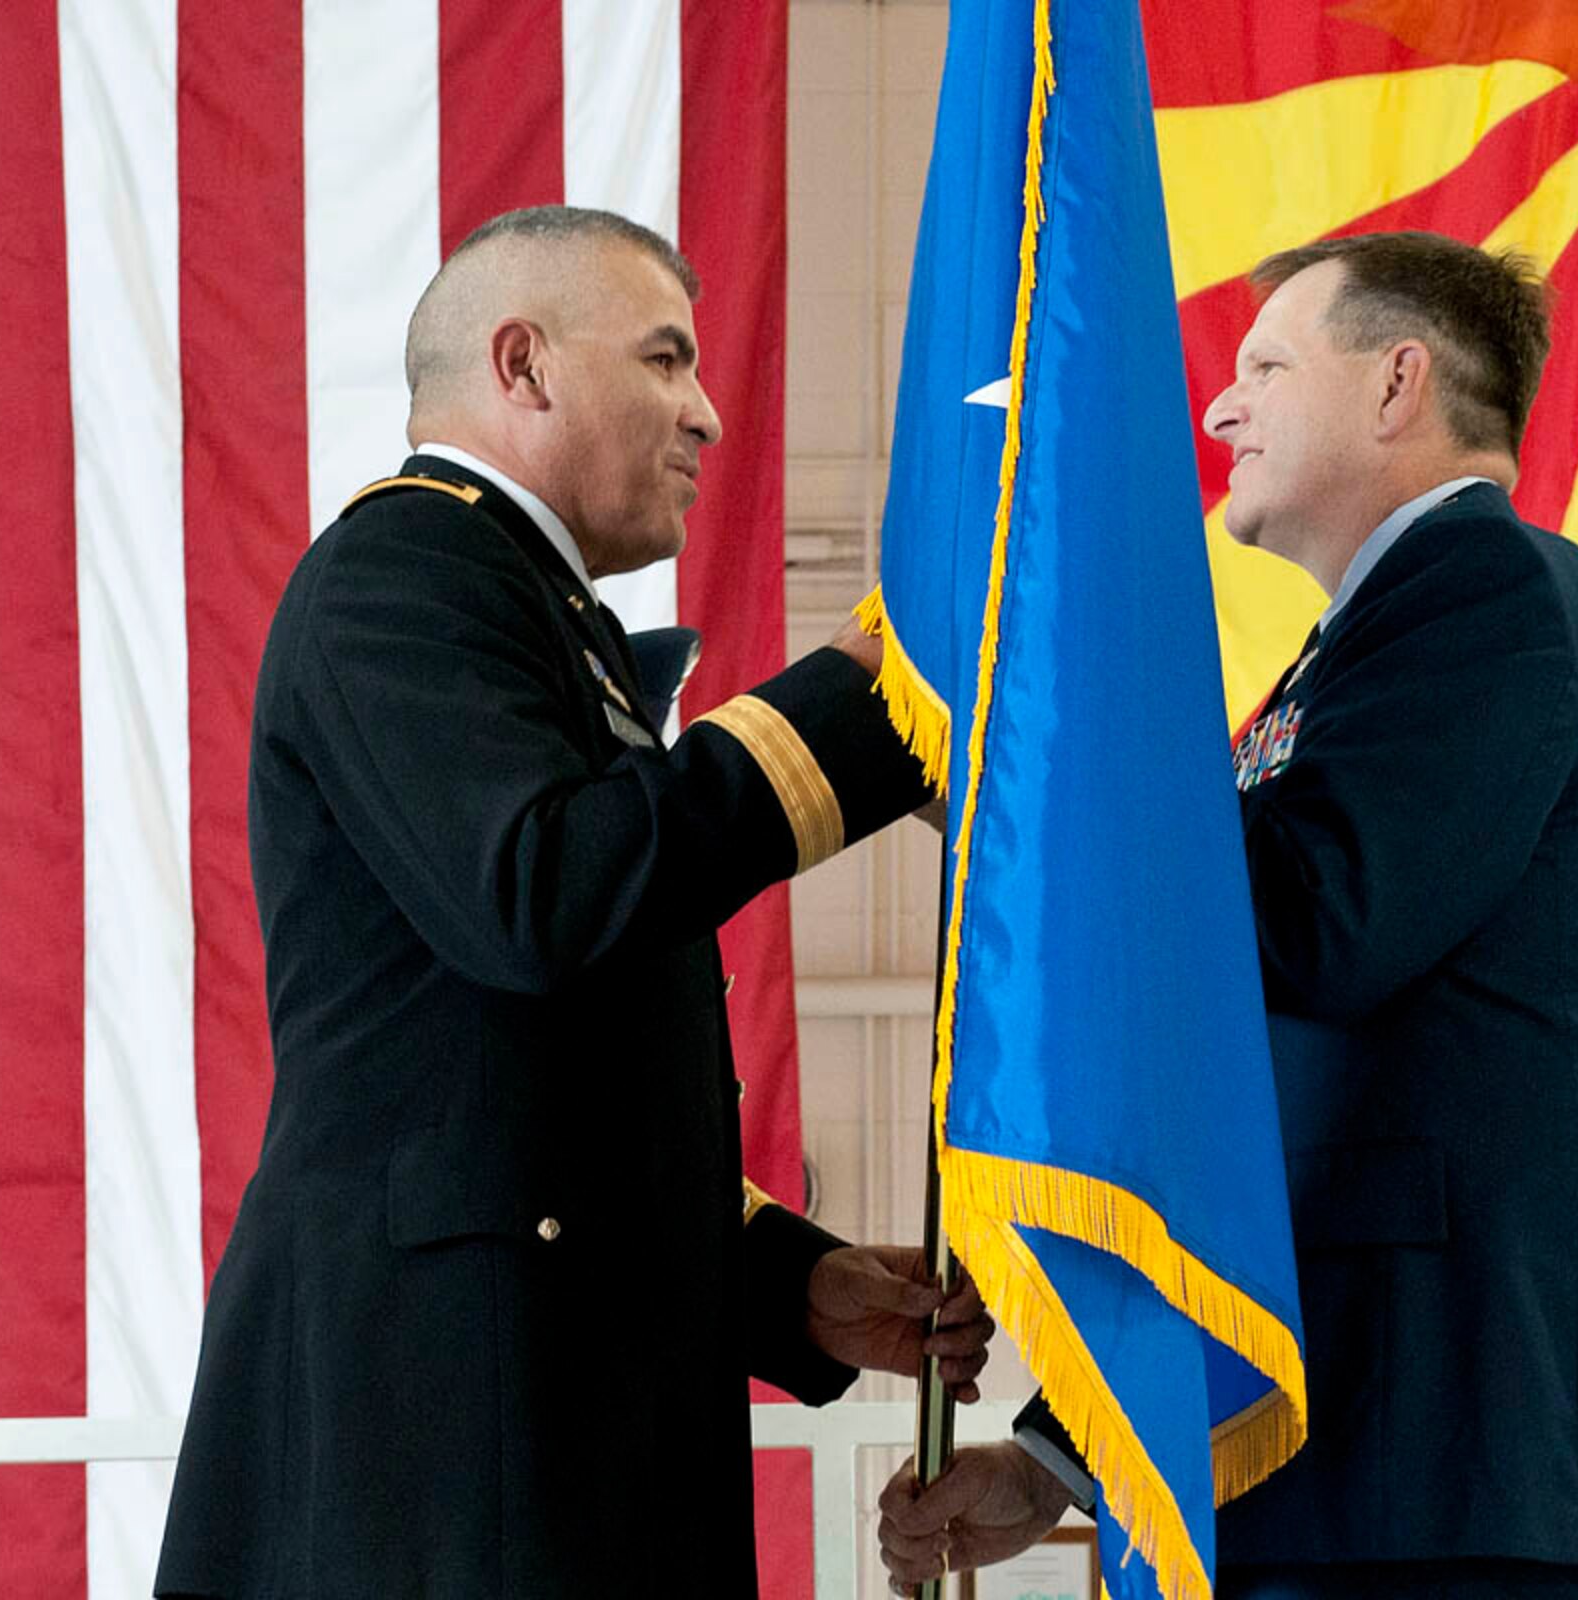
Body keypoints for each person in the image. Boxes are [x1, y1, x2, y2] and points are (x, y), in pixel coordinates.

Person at [155, 205, 991, 1600]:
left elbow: (531, 1085)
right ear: (524, 365)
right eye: (666, 359)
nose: (710, 414)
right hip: (452, 1450)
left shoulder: (522, 603)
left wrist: (792, 1280)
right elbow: (542, 897)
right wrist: (868, 695)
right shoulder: (407, 570)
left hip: (530, 1424)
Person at [876, 232, 1578, 1598]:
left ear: (1398, 385)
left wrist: (1013, 780)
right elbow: (1267, 1115)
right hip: (1384, 1461)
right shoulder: (1357, 658)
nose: (1219, 407)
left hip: (1460, 1457)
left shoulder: (1486, 591)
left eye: (1266, 364)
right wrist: (1062, 1456)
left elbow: (1307, 923)